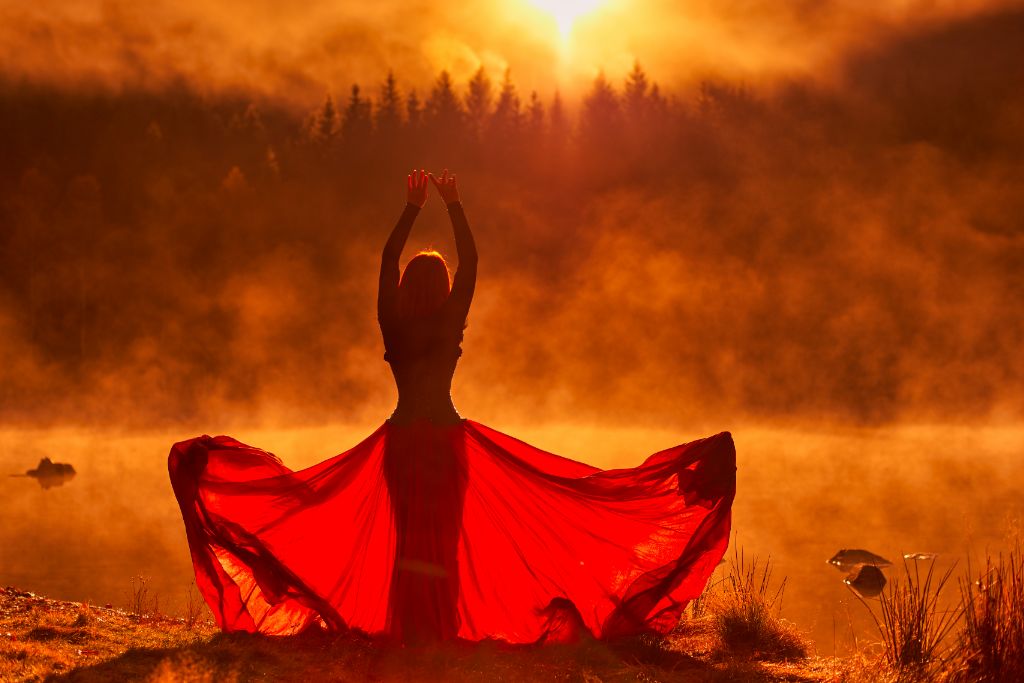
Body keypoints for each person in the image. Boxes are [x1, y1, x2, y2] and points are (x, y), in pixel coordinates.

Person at [168, 170, 736, 646]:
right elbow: (472, 260)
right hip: (446, 442)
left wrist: (410, 208)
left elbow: (388, 258)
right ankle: (435, 632)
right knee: (442, 541)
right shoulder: (448, 321)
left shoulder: (393, 322)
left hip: (400, 444)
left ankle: (411, 632)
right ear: (441, 287)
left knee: (409, 540)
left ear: (404, 288)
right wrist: (454, 202)